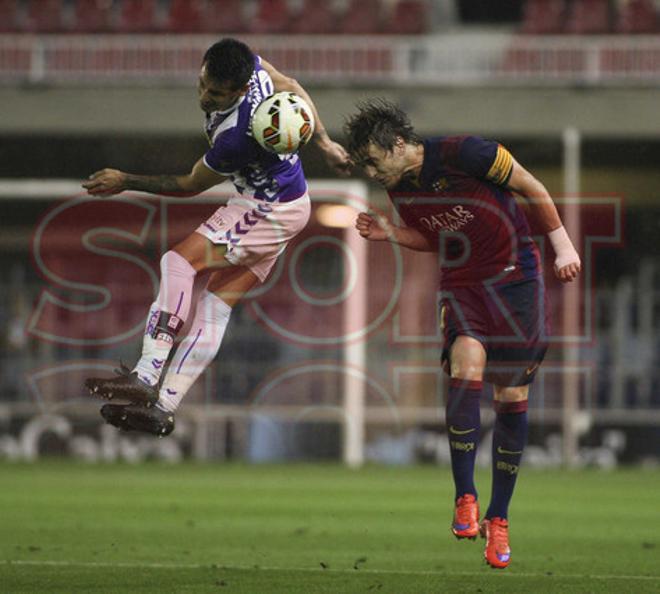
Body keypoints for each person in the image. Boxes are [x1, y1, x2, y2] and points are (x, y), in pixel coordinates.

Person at [343, 99, 580, 569]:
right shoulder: (400, 188)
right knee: (465, 361)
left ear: (397, 144)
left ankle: (500, 517)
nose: (369, 171)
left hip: (516, 278)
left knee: (511, 395)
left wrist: (563, 247)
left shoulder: (467, 153)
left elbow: (531, 186)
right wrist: (392, 232)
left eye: (372, 159)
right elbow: (436, 238)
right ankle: (465, 497)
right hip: (463, 284)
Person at [82, 38, 350, 437]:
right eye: (203, 84)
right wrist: (325, 143)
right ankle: (164, 406)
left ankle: (148, 371)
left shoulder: (237, 137)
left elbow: (190, 184)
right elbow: (290, 84)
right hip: (284, 202)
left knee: (178, 262)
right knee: (215, 307)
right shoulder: (252, 67)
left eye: (216, 93)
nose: (206, 97)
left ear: (240, 91)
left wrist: (126, 180)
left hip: (266, 208)